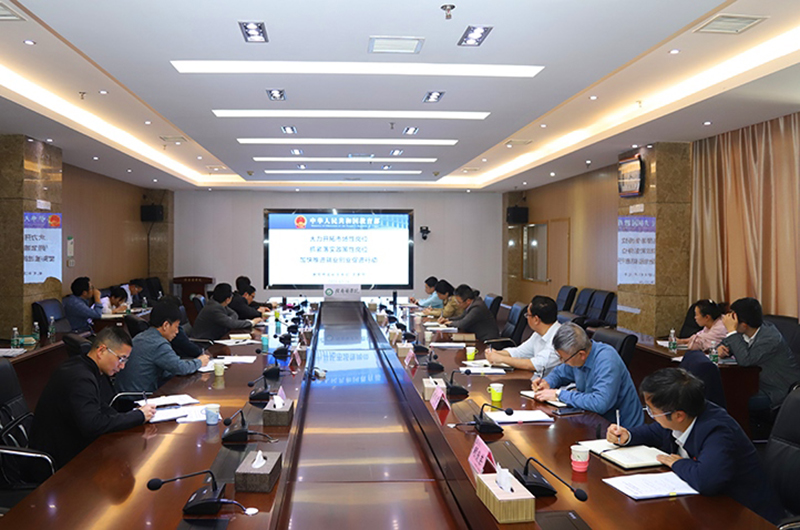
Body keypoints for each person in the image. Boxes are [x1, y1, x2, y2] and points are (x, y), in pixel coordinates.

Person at [606, 368, 784, 524]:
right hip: (707, 507)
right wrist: (627, 436)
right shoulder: (685, 412)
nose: (650, 415)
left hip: (747, 516)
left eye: (652, 411)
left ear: (678, 416)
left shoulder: (718, 430)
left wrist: (678, 463)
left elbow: (707, 481)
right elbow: (655, 432)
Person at [29, 327, 156, 470]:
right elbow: (93, 425)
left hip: (71, 442)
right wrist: (138, 416)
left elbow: (101, 407)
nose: (122, 366)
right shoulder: (80, 378)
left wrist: (132, 414)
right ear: (101, 351)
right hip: (58, 460)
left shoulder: (84, 366)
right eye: (120, 358)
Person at [532, 323, 643, 428]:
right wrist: (547, 382)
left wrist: (558, 394)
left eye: (564, 359)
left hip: (622, 430)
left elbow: (599, 403)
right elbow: (559, 373)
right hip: (592, 422)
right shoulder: (575, 356)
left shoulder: (607, 360)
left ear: (581, 355)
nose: (562, 361)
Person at [718, 297, 800, 408]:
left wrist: (732, 332)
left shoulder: (770, 338)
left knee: (732, 399)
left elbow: (745, 360)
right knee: (723, 391)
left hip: (777, 390)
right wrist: (721, 349)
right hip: (755, 383)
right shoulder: (746, 331)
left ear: (744, 325)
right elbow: (726, 343)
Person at [115, 302, 210, 392]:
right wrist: (199, 362)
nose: (177, 332)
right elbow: (180, 368)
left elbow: (171, 365)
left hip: (127, 392)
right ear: (166, 325)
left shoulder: (143, 336)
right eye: (176, 327)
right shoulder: (158, 344)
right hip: (139, 397)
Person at [485, 295, 561, 378]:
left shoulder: (559, 337)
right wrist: (497, 353)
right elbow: (520, 352)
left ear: (536, 320)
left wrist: (501, 359)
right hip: (538, 379)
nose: (527, 318)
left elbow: (534, 364)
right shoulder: (538, 333)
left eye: (528, 315)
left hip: (552, 383)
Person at [191, 283, 263, 340]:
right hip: (206, 342)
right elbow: (231, 324)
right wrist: (252, 322)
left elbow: (234, 314)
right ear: (228, 299)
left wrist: (229, 320)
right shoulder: (214, 308)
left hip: (216, 337)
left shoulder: (219, 304)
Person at [160, 294, 205, 358]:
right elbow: (190, 349)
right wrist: (202, 353)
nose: (176, 331)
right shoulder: (171, 329)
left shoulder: (163, 325)